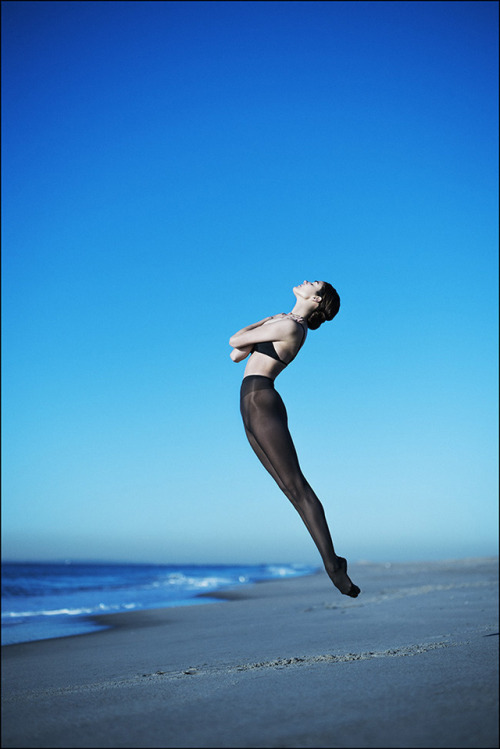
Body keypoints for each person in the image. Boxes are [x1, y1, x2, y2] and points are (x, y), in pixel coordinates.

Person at [229, 280, 360, 598]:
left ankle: (333, 565)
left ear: (315, 298)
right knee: (288, 488)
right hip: (250, 402)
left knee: (297, 486)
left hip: (262, 401)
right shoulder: (283, 322)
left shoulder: (291, 326)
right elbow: (236, 355)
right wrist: (269, 321)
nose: (305, 281)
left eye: (313, 283)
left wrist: (265, 320)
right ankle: (332, 562)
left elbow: (234, 339)